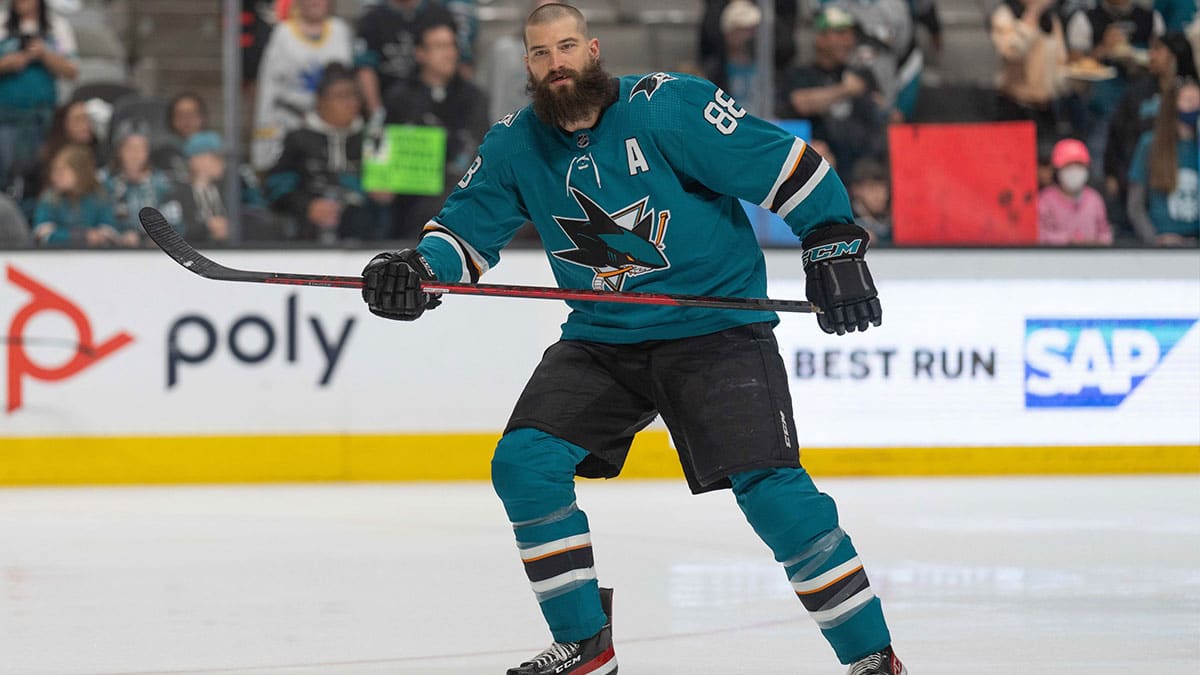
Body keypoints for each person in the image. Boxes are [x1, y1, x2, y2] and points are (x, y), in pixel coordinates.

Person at [359, 5, 900, 674]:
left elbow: (791, 167)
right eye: (539, 53)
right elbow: (463, 237)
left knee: (772, 489)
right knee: (524, 464)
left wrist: (831, 243)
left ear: (592, 50)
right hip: (603, 338)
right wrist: (417, 271)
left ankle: (872, 655)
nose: (555, 62)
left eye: (565, 47)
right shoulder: (513, 144)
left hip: (716, 329)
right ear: (527, 67)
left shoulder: (670, 108)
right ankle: (587, 644)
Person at [381, 18, 489, 238]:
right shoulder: (398, 97)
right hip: (409, 205)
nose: (449, 54)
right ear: (420, 53)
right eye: (440, 47)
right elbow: (382, 146)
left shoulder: (474, 97)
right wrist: (381, 180)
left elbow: (479, 147)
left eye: (451, 46)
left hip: (458, 198)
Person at [265, 63, 378, 243]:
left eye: (355, 95)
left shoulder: (371, 139)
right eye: (341, 96)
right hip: (308, 228)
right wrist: (307, 206)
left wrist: (382, 195)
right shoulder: (299, 139)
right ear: (320, 101)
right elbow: (276, 186)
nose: (351, 103)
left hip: (364, 228)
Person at [780, 6, 889, 176]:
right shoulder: (800, 75)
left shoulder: (862, 74)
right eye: (839, 34)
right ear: (820, 38)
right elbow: (801, 102)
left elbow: (879, 108)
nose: (848, 41)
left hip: (861, 172)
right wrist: (845, 90)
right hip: (817, 169)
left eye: (850, 34)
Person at [251, 0, 354, 171]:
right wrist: (264, 136)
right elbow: (268, 88)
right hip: (292, 122)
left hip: (333, 126)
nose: (315, 3)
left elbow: (349, 81)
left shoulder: (340, 30)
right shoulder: (283, 34)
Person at [0, 0, 79, 191]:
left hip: (43, 120)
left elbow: (72, 70)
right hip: (7, 119)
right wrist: (9, 63)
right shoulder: (1, 23)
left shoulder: (57, 27)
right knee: (6, 174)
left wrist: (45, 55)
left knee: (43, 176)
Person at [1126, 77, 1200, 245]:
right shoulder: (1149, 144)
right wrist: (1154, 239)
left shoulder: (1197, 146)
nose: (1195, 108)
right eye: (1189, 101)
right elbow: (1135, 205)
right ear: (1172, 106)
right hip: (1162, 245)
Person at [352, 0, 456, 114]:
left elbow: (454, 60)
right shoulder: (372, 19)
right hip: (386, 101)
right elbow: (365, 69)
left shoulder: (439, 15)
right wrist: (376, 113)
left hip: (434, 100)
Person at [990, 0, 1073, 143]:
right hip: (1016, 106)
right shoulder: (1005, 15)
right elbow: (1012, 52)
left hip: (1046, 106)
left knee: (1045, 160)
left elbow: (1060, 60)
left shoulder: (1051, 19)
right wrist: (1032, 15)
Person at [100, 121, 183, 239]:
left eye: (141, 148)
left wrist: (147, 237)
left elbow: (175, 222)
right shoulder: (104, 181)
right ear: (119, 151)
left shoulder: (163, 183)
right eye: (130, 148)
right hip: (112, 251)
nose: (135, 154)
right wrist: (119, 235)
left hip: (152, 250)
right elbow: (99, 219)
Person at [32, 144, 125, 247]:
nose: (55, 177)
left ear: (80, 173)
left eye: (61, 173)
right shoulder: (50, 197)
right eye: (54, 172)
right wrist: (79, 236)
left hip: (95, 258)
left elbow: (111, 232)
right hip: (57, 258)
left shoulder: (100, 196)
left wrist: (98, 236)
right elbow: (41, 234)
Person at [1038, 137, 1113, 244]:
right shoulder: (1045, 199)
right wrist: (1069, 240)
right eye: (1068, 166)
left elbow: (1106, 233)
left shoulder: (1094, 199)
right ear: (1057, 170)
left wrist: (1096, 242)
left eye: (1079, 165)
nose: (1074, 171)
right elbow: (1040, 235)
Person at [701, 0, 764, 115]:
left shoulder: (766, 67)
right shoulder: (713, 71)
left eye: (753, 29)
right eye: (743, 29)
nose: (749, 35)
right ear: (729, 32)